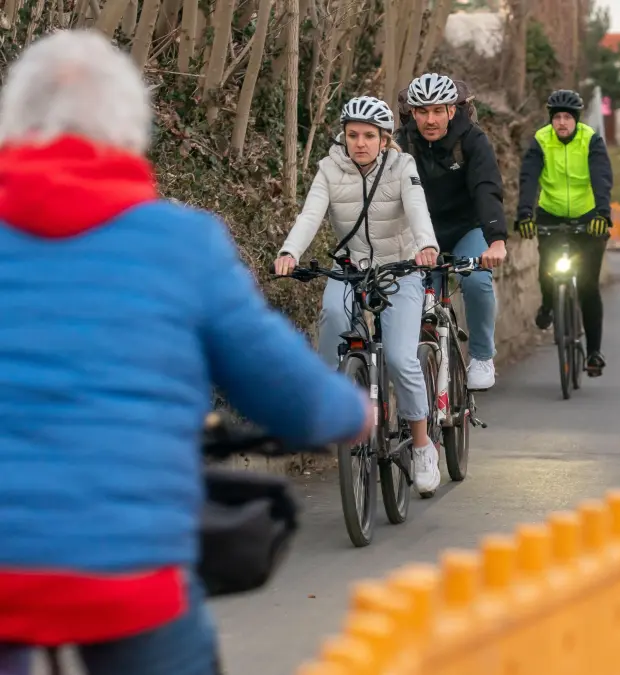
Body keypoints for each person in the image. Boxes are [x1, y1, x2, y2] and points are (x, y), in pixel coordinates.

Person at [0, 30, 369, 675]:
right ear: (131, 132)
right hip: (128, 573)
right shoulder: (181, 244)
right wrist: (352, 413)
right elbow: (286, 389)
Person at [273, 95, 445, 496]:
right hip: (352, 267)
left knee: (400, 358)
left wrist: (426, 245)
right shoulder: (329, 169)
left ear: (384, 139)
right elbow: (311, 214)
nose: (360, 143)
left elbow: (417, 209)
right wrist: (289, 251)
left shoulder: (402, 167)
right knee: (333, 314)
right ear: (344, 137)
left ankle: (422, 445)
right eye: (353, 135)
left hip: (401, 268)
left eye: (369, 136)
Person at [399, 73, 507, 391]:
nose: (430, 120)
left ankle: (482, 357)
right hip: (420, 235)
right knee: (416, 298)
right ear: (412, 113)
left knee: (476, 280)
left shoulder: (472, 140)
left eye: (438, 111)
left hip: (465, 228)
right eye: (422, 112)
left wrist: (496, 241)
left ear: (451, 110)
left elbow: (486, 189)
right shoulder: (401, 143)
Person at [516, 89, 614, 377]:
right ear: (551, 119)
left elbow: (601, 177)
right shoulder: (541, 140)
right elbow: (529, 178)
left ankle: (594, 352)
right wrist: (525, 213)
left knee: (588, 286)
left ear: (576, 119)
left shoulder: (590, 140)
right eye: (557, 117)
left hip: (589, 217)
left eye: (567, 118)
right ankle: (549, 303)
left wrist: (602, 213)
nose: (561, 123)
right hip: (552, 214)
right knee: (548, 267)